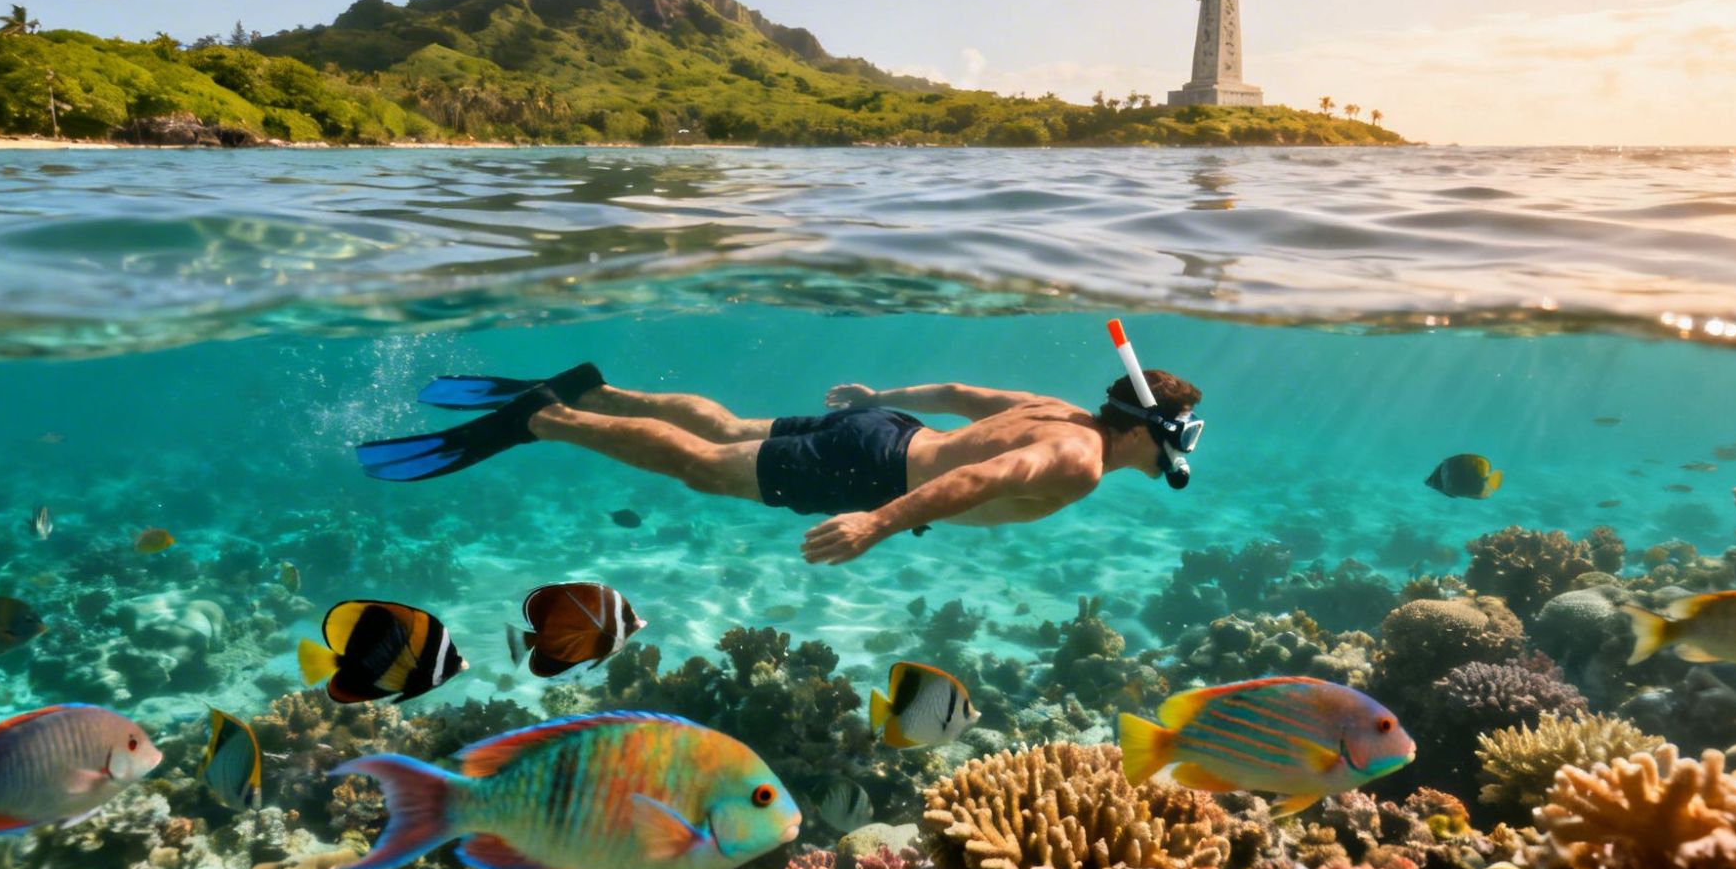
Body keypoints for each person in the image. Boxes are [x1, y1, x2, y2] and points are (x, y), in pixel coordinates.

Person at [356, 357, 1203, 565]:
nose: (1183, 446)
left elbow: (952, 389)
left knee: (723, 422)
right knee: (701, 462)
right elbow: (978, 480)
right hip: (877, 473)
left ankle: (600, 388)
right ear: (1149, 430)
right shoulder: (1079, 457)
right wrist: (876, 521)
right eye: (1183, 430)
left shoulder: (1059, 409)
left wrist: (879, 395)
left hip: (884, 429)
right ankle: (550, 419)